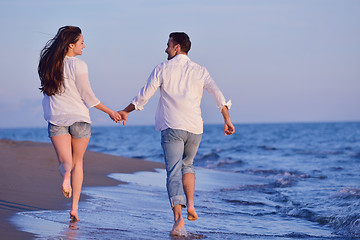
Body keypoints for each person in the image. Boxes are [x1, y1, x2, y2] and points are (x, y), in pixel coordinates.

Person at [118, 32, 235, 236]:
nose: (166, 49)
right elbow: (218, 95)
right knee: (187, 166)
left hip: (172, 127)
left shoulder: (163, 68)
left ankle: (179, 220)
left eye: (168, 45)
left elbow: (144, 95)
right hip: (195, 129)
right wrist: (227, 119)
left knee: (173, 171)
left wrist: (126, 111)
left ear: (177, 47)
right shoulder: (200, 70)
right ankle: (190, 204)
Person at [38, 26, 121, 221]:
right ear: (71, 45)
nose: (84, 45)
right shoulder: (79, 65)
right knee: (78, 163)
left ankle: (66, 176)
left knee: (66, 163)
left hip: (56, 118)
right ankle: (74, 208)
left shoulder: (47, 64)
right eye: (82, 42)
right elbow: (88, 96)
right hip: (80, 119)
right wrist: (110, 111)